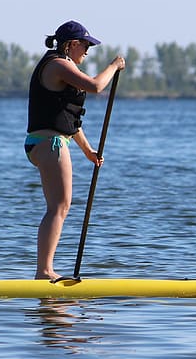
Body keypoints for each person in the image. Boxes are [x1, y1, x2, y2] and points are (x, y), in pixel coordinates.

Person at [25, 20, 125, 280]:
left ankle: (44, 270)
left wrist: (88, 151)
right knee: (59, 206)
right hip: (50, 144)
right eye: (86, 45)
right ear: (70, 45)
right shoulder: (57, 64)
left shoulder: (62, 67)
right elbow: (95, 86)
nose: (88, 51)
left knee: (59, 206)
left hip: (49, 141)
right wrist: (114, 66)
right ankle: (44, 271)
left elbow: (67, 121)